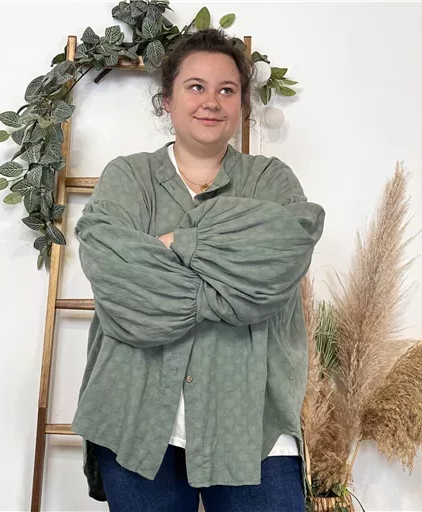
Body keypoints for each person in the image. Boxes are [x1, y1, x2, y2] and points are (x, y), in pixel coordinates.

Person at [72, 28, 325, 512]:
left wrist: (178, 244)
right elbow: (118, 283)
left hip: (253, 428)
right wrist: (229, 286)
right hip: (133, 421)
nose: (211, 101)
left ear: (242, 105)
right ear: (166, 100)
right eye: (196, 86)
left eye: (227, 90)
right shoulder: (128, 177)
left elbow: (284, 256)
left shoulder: (270, 181)